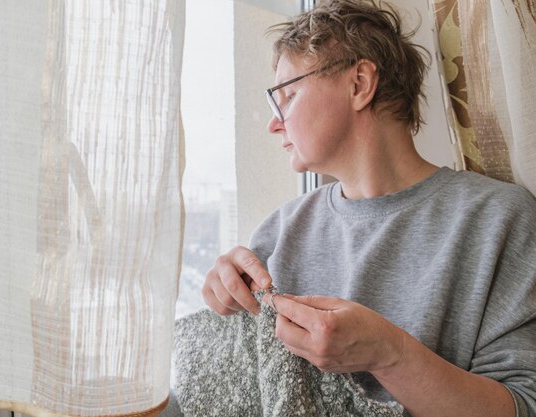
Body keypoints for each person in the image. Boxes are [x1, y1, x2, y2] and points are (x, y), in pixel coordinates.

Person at [196, 1, 536, 417]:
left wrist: (389, 353)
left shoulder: (500, 220)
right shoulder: (278, 233)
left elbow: (523, 406)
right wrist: (224, 297)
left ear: (359, 83)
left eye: (287, 95)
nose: (274, 123)